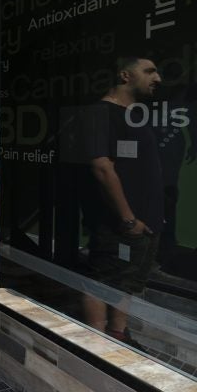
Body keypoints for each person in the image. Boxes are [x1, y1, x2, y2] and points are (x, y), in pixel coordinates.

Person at [79, 56, 164, 346]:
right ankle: (97, 344)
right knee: (101, 280)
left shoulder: (137, 114)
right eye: (150, 71)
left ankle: (118, 334)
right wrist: (128, 219)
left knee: (128, 281)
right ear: (125, 76)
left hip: (145, 223)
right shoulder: (100, 113)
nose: (158, 78)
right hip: (120, 223)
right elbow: (102, 168)